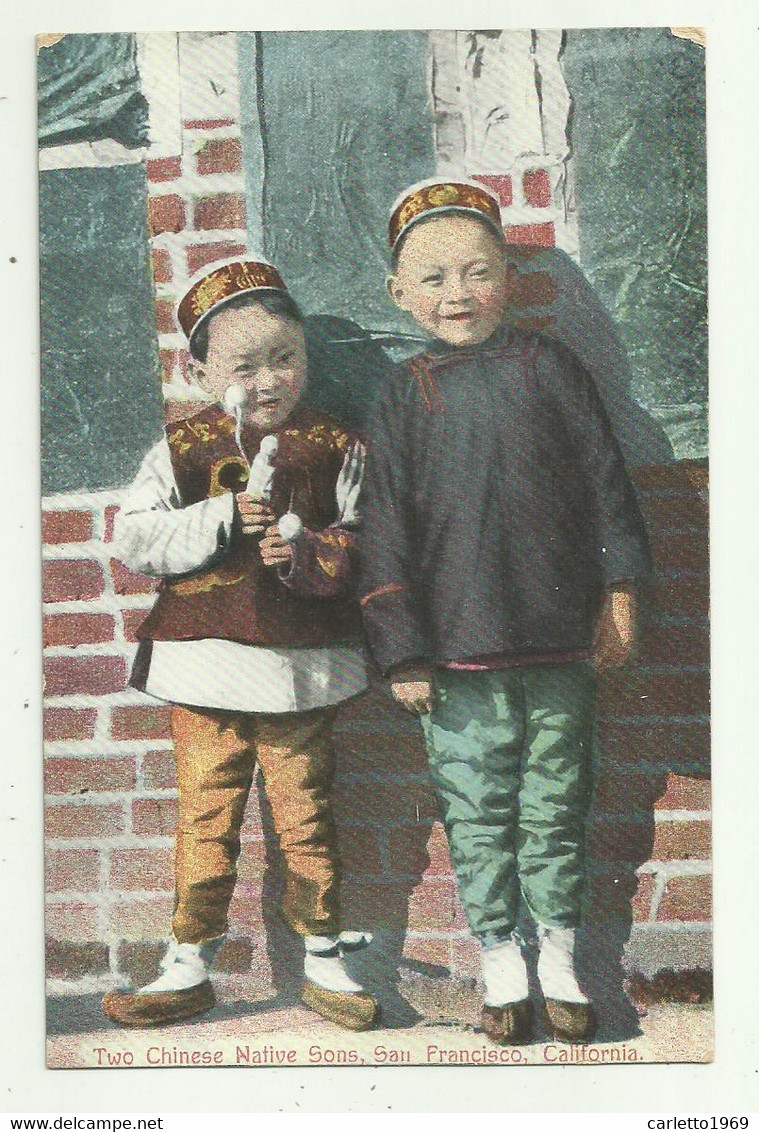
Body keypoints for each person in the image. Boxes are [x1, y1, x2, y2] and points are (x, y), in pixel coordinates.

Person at [358, 180, 652, 1044]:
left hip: (558, 641)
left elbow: (607, 491)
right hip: (452, 655)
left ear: (510, 279)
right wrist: (401, 653)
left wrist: (621, 599)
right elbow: (381, 531)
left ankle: (559, 959)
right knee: (477, 811)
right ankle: (500, 961)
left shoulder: (548, 368)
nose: (457, 295)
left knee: (556, 802)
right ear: (399, 296)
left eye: (477, 273)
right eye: (434, 278)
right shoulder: (401, 395)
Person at [102, 259, 378, 1031]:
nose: (268, 381)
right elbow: (136, 540)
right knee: (206, 814)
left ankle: (325, 957)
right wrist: (222, 514)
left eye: (284, 358)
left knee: (305, 813)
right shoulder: (181, 447)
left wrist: (308, 549)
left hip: (298, 668)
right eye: (244, 365)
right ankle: (187, 961)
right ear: (200, 372)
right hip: (205, 661)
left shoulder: (333, 445)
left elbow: (366, 540)